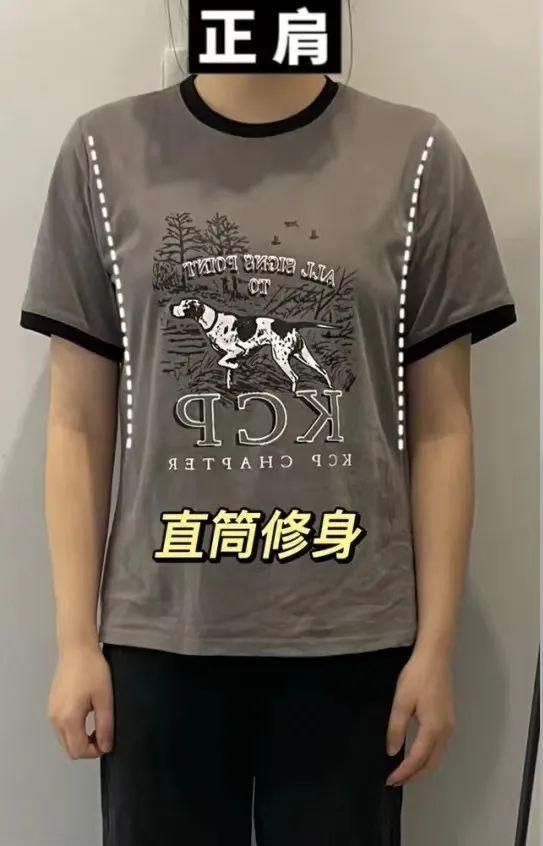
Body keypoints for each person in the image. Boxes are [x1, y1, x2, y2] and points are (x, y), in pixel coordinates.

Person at [20, 57, 517, 846]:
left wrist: (434, 649)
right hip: (160, 638)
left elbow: (442, 428)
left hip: (352, 641)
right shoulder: (100, 153)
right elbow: (77, 423)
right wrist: (76, 643)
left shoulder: (417, 155)